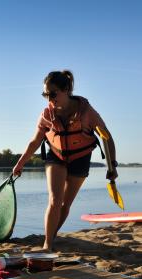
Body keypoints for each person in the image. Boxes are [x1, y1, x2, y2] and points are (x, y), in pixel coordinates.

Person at [13, 70, 118, 252]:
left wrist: (112, 166)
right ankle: (48, 244)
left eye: (53, 93)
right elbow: (35, 141)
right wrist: (20, 163)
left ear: (66, 89)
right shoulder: (47, 114)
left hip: (80, 158)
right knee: (55, 199)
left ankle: (51, 235)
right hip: (56, 156)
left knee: (65, 205)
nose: (49, 99)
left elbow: (106, 137)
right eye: (45, 94)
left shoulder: (87, 112)